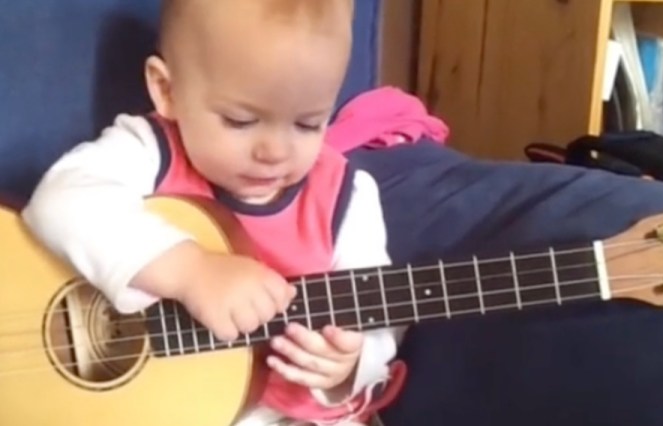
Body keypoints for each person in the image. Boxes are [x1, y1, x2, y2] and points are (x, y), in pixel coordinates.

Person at [21, 0, 404, 424]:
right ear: (167, 90)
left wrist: (349, 365)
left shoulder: (346, 198)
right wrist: (189, 270)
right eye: (240, 121)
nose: (274, 152)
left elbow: (376, 312)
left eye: (308, 124)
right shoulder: (148, 150)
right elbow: (62, 199)